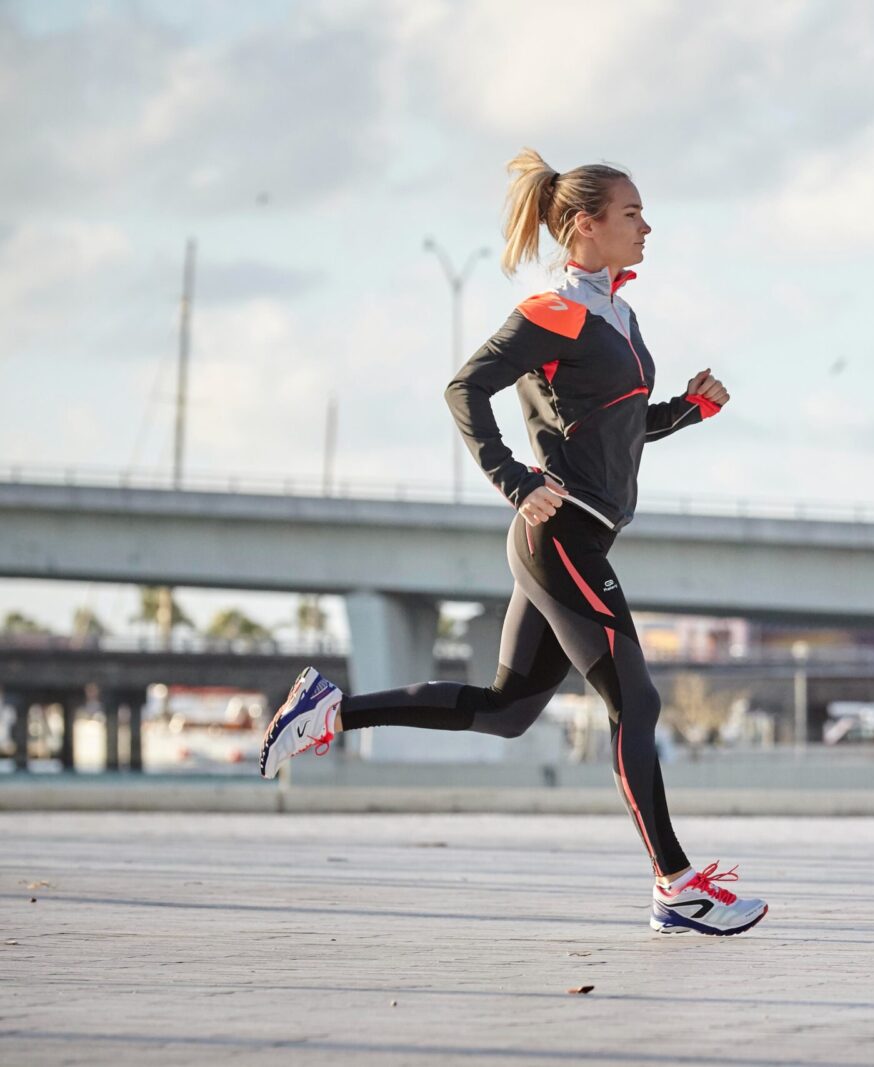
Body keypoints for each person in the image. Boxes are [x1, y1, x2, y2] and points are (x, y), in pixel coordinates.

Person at [258, 149, 767, 937]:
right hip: (560, 535)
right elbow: (465, 388)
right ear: (584, 225)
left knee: (505, 711)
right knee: (636, 698)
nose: (647, 225)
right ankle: (676, 883)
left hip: (573, 538)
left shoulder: (618, 317)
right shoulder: (556, 310)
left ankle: (329, 712)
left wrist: (688, 411)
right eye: (632, 213)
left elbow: (615, 429)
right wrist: (513, 478)